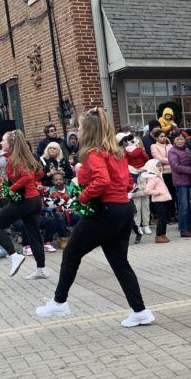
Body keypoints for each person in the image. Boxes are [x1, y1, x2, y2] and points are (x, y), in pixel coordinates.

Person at [37, 107, 153, 326]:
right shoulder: (116, 152)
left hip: (106, 210)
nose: (77, 130)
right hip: (123, 209)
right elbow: (128, 182)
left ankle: (60, 302)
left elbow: (102, 182)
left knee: (71, 253)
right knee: (120, 262)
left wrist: (82, 198)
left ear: (88, 130)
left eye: (80, 127)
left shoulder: (92, 153)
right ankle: (140, 311)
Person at [0, 130, 49, 278]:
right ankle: (41, 269)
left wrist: (11, 188)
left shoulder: (15, 159)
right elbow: (40, 173)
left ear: (11, 144)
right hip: (34, 200)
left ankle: (13, 256)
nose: (1, 143)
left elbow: (28, 176)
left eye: (3, 140)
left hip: (25, 200)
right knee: (34, 234)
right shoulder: (26, 156)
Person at [168, 129, 191, 238]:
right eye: (178, 139)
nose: (180, 141)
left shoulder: (186, 149)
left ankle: (189, 228)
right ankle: (183, 229)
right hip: (180, 181)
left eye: (182, 139)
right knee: (183, 205)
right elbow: (176, 166)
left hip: (189, 180)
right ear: (174, 141)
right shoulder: (172, 151)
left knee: (189, 206)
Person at [139, 158, 171, 243]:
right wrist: (158, 192)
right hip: (158, 201)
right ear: (153, 167)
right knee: (161, 218)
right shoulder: (153, 178)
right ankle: (158, 235)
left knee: (164, 218)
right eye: (158, 166)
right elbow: (148, 190)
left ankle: (163, 234)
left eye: (160, 166)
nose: (160, 168)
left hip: (164, 199)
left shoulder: (158, 176)